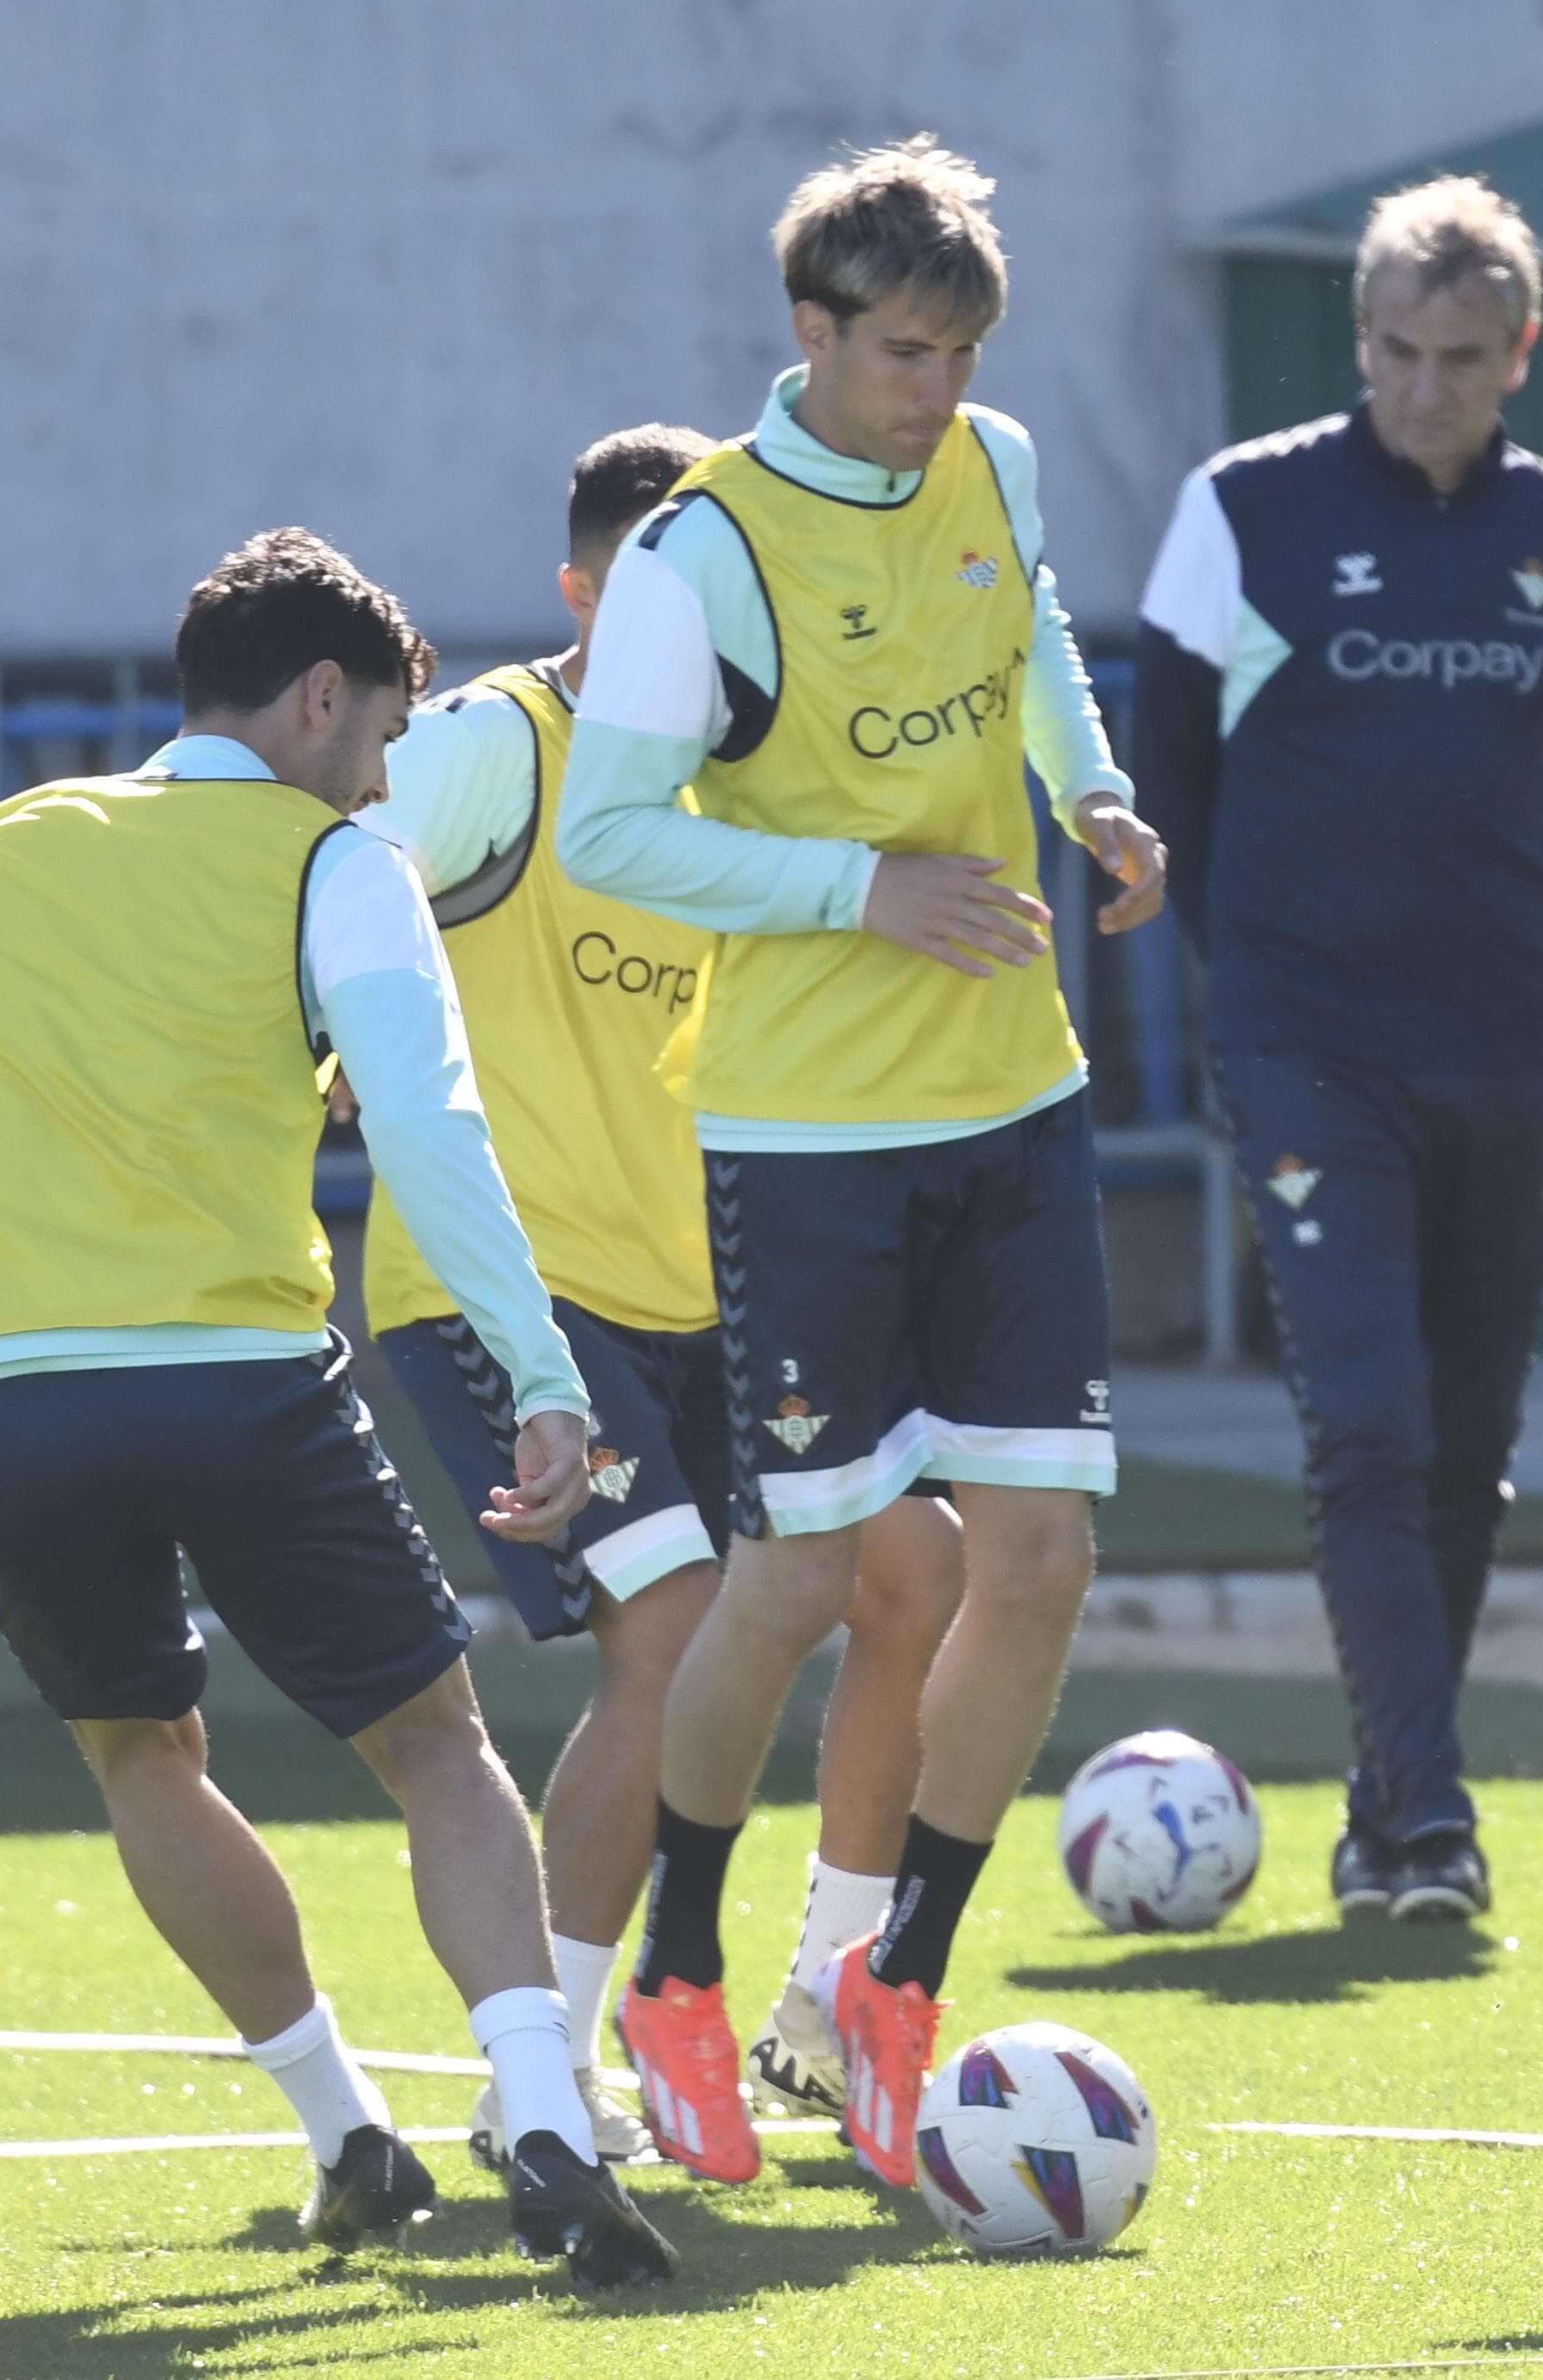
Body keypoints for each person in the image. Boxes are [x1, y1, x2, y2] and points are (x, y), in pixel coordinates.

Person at [0, 530, 678, 2287]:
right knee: (434, 1751)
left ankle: (345, 2135)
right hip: (235, 1381)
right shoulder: (333, 858)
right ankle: (543, 2121)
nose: (391, 775)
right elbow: (428, 1125)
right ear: (323, 699)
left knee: (142, 1760)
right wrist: (542, 1377)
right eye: (386, 736)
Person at [555, 135, 1164, 2192]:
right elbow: (609, 835)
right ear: (808, 334)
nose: (932, 387)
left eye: (960, 349)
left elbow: (1042, 633)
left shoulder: (986, 459)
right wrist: (859, 888)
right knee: (805, 1578)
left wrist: (1090, 788)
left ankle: (896, 1992)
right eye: (901, 349)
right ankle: (681, 1979)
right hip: (808, 1132)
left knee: (1042, 1560)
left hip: (1015, 1098)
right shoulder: (697, 552)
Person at [356, 425, 966, 2160]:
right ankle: (541, 2071)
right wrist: (337, 1012)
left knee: (920, 1569)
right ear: (575, 594)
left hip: (738, 1295)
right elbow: (314, 858)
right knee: (678, 1630)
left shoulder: (768, 789)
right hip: (517, 1299)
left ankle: (817, 2007)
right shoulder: (496, 748)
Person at [1130, 175, 1543, 1927]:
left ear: (1521, 353)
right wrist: (1249, 978)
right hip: (1302, 1040)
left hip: (1507, 1039)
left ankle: (1383, 1797)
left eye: (1465, 359)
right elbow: (1169, 763)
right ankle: (1424, 1826)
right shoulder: (1241, 509)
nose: (1429, 387)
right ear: (1361, 342)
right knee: (1365, 1422)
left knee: (1463, 1439)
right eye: (1400, 353)